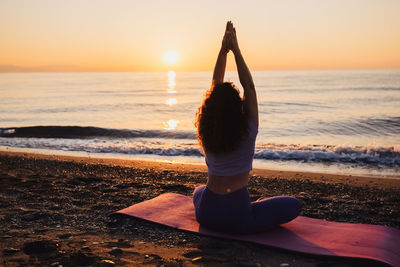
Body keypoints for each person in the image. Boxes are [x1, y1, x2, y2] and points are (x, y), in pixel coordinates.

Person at [193, 21, 302, 234]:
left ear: (210, 108)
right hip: (238, 219)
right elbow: (249, 87)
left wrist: (222, 52)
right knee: (294, 205)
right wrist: (236, 50)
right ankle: (252, 209)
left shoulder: (207, 131)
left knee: (199, 191)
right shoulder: (248, 129)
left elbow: (215, 85)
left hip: (206, 214)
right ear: (238, 107)